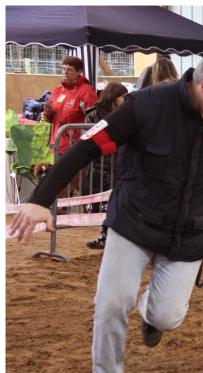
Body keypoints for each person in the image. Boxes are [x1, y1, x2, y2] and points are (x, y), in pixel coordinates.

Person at [9, 52, 203, 373]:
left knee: (168, 317)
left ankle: (151, 314)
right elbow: (87, 147)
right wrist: (41, 199)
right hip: (133, 225)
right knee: (111, 303)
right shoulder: (144, 107)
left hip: (190, 234)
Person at [83, 82, 129, 249]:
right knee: (101, 206)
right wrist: (112, 146)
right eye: (123, 96)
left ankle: (113, 238)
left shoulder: (126, 113)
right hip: (99, 167)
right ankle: (104, 236)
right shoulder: (92, 114)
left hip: (119, 166)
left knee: (117, 205)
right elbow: (89, 140)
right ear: (113, 97)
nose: (126, 99)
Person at [43, 56, 98, 154]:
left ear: (79, 72)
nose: (65, 72)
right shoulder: (58, 90)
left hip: (74, 148)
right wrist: (48, 112)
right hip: (56, 145)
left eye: (69, 69)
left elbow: (94, 120)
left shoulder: (87, 92)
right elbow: (50, 119)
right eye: (63, 69)